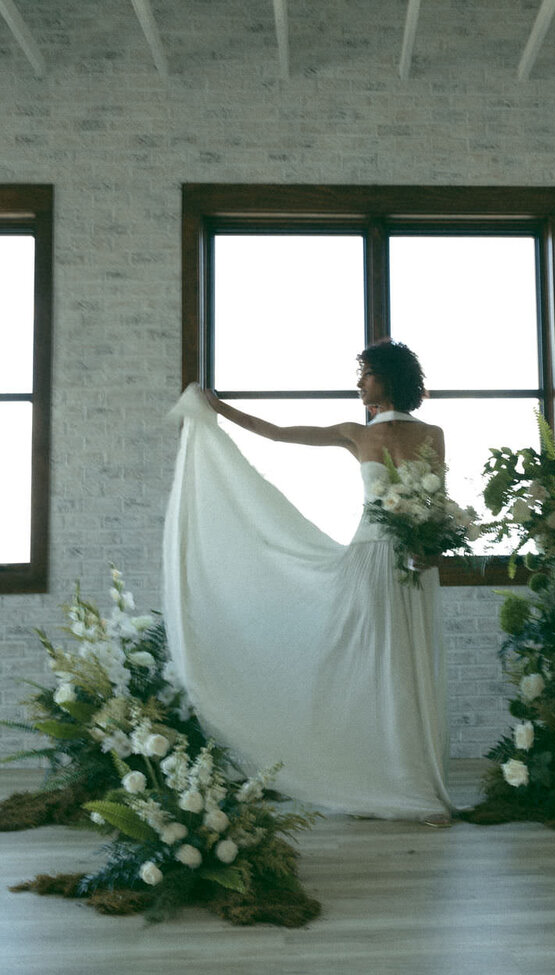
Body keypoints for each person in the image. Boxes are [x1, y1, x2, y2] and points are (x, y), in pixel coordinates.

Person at [162, 341, 454, 824]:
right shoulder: (354, 434)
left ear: (390, 379)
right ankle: (380, 779)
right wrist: (219, 408)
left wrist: (433, 547)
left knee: (411, 663)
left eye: (367, 374)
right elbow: (276, 434)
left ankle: (418, 781)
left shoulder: (433, 434)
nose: (359, 383)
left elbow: (439, 499)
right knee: (374, 664)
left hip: (416, 563)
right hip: (370, 557)